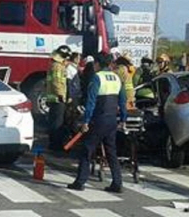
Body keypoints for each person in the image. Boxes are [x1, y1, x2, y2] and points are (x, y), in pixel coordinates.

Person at [68, 53, 128, 193]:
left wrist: (86, 121)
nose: (93, 66)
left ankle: (80, 181)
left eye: (95, 63)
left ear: (98, 64)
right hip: (112, 120)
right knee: (111, 152)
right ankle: (117, 183)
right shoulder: (117, 78)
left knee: (87, 150)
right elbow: (123, 101)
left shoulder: (97, 77)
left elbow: (91, 102)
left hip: (98, 119)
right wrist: (123, 119)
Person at [46, 45, 71, 150]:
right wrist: (62, 96)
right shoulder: (58, 66)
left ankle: (54, 143)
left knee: (54, 121)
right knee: (57, 123)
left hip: (54, 98)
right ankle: (55, 144)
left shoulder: (56, 65)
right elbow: (57, 83)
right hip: (57, 99)